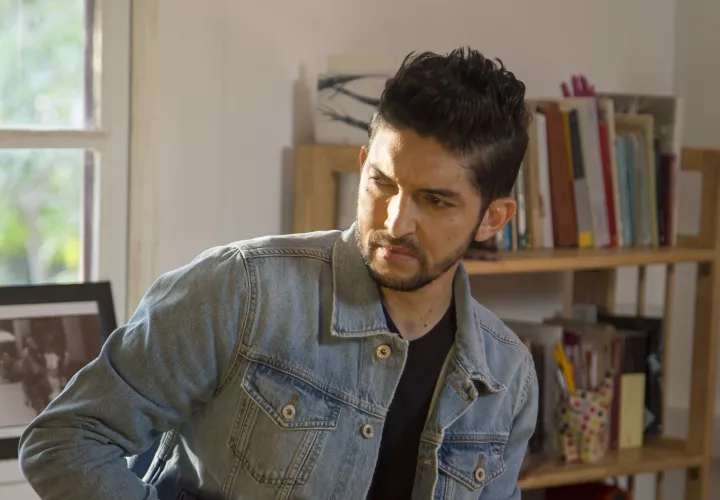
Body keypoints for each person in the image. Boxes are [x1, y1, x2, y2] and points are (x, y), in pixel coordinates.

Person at [19, 47, 538, 500]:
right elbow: (65, 440)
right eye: (382, 183)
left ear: (493, 219)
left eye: (436, 201)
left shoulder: (507, 376)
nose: (395, 222)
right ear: (363, 165)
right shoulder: (240, 290)